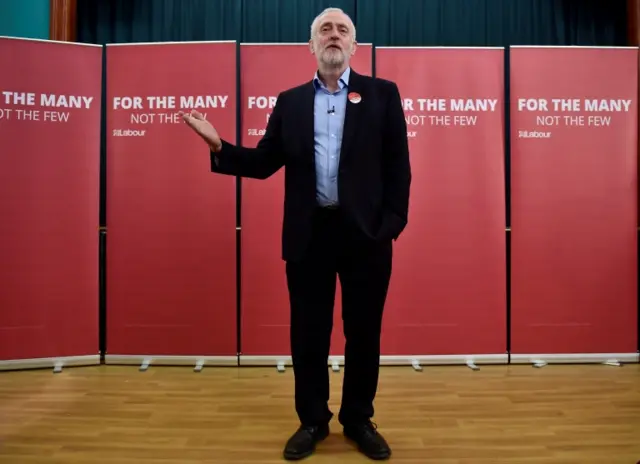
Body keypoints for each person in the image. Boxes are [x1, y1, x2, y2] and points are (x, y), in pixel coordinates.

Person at [181, 7, 411, 461]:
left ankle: (358, 419)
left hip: (366, 237)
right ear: (311, 46)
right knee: (309, 333)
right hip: (310, 234)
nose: (333, 35)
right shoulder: (290, 102)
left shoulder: (383, 95)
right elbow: (265, 162)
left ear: (353, 46)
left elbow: (398, 167)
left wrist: (390, 226)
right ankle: (312, 420)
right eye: (324, 29)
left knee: (363, 332)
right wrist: (218, 145)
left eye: (342, 30)